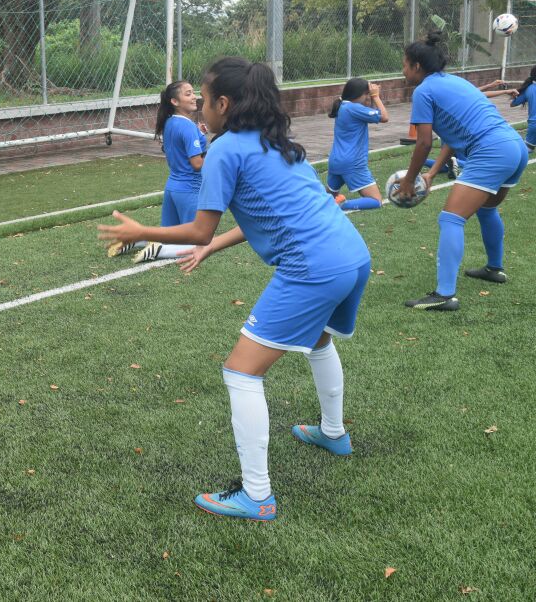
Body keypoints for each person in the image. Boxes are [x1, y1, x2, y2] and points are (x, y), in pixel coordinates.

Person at [98, 57, 371, 522]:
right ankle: (333, 432)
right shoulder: (277, 142)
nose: (200, 108)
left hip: (312, 268)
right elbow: (261, 217)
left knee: (241, 373)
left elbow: (199, 229)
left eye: (204, 100)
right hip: (352, 256)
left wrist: (142, 231)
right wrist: (212, 249)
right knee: (319, 341)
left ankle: (257, 496)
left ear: (223, 104)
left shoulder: (224, 149)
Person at [397, 31, 529, 311]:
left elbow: (423, 142)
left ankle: (444, 295)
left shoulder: (423, 91)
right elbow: (453, 137)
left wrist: (409, 181)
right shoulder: (454, 81)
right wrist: (431, 174)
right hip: (514, 146)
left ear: (417, 66)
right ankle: (494, 268)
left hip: (491, 151)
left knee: (450, 219)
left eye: (405, 64)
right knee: (487, 209)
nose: (403, 70)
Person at [108, 80, 207, 263]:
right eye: (188, 94)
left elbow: (183, 142)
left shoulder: (170, 122)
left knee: (168, 234)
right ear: (174, 101)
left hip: (173, 187)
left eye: (193, 92)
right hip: (189, 189)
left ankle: (137, 240)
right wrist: (217, 156)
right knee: (200, 242)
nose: (194, 97)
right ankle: (159, 250)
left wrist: (199, 132)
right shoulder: (187, 127)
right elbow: (197, 164)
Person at [326, 78, 389, 210]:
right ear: (358, 94)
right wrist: (376, 96)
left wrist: (371, 98)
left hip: (335, 161)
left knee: (327, 201)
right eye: (366, 94)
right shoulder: (354, 108)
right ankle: (343, 204)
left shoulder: (343, 106)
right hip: (353, 163)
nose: (367, 97)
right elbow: (384, 117)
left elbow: (370, 112)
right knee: (376, 201)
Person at [509, 65, 536, 148]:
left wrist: (515, 96)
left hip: (533, 124)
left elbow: (513, 104)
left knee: (528, 149)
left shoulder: (529, 88)